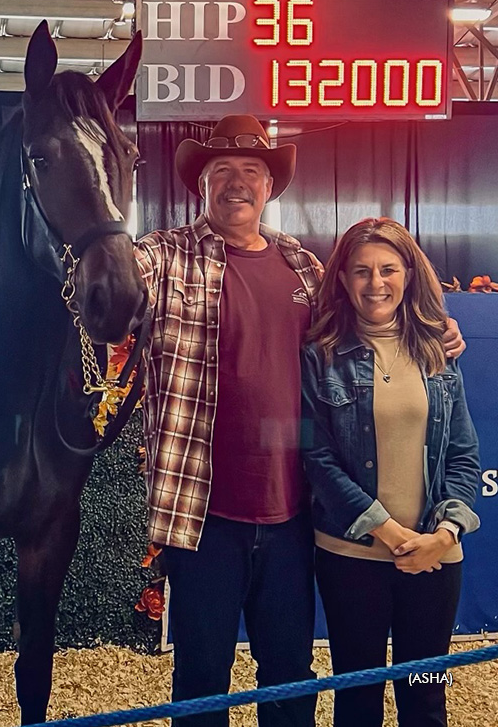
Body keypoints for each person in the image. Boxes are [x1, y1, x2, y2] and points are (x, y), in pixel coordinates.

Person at [132, 114, 465, 727]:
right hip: (204, 514)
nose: (238, 183)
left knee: (288, 675)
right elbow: (101, 281)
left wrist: (437, 326)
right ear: (199, 185)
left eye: (252, 172)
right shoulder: (161, 257)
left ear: (270, 187)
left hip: (293, 516)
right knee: (202, 675)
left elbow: (376, 309)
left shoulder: (304, 268)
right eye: (222, 171)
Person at [301, 217, 480, 727]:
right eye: (361, 271)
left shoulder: (439, 352)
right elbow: (312, 455)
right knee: (357, 699)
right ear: (342, 279)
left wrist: (443, 535)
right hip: (351, 558)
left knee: (425, 698)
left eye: (387, 269)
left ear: (408, 274)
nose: (375, 283)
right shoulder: (318, 357)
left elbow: (464, 456)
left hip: (434, 560)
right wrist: (386, 528)